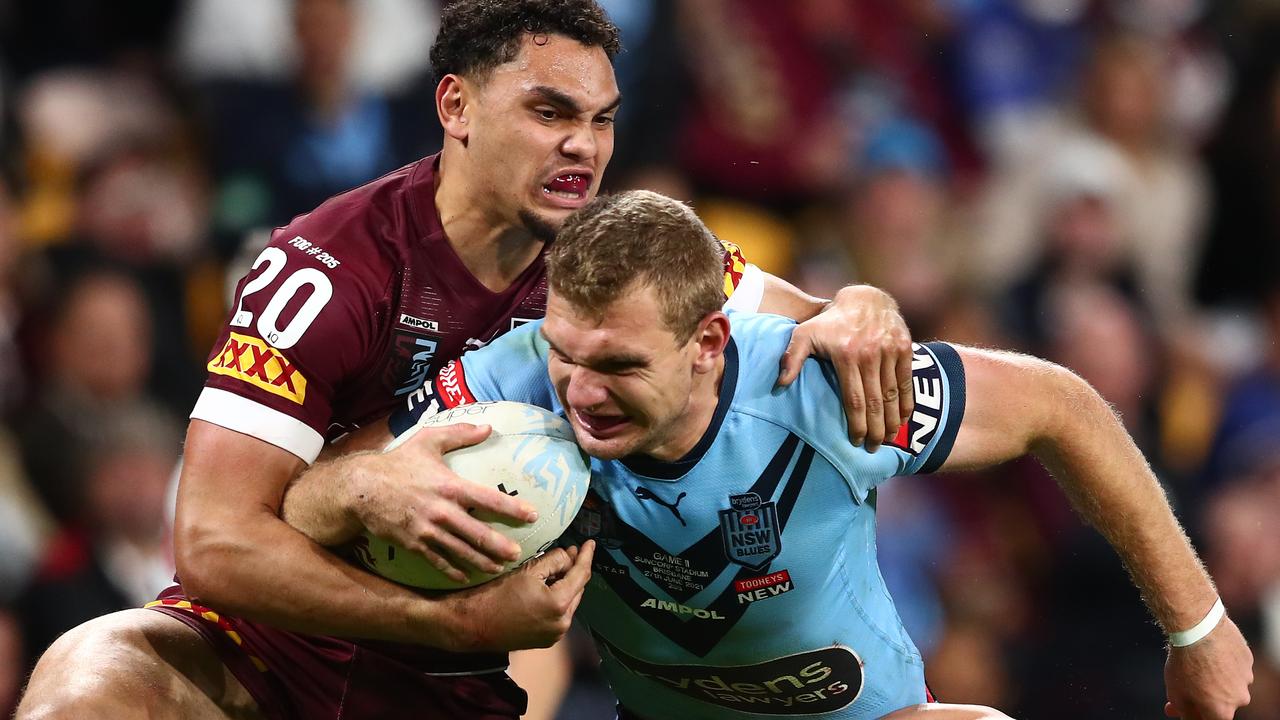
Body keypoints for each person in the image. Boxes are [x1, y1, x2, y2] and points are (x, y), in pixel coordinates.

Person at [16, 2, 917, 718]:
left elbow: (807, 327)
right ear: (455, 106)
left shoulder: (623, 260)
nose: (584, 146)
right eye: (549, 111)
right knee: (88, 679)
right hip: (258, 654)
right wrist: (436, 611)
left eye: (602, 120)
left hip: (455, 683)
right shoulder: (326, 270)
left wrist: (866, 306)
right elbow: (210, 540)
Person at [286, 190, 1254, 719]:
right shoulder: (509, 385)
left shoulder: (821, 386)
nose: (577, 392)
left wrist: (1196, 629)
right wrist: (367, 484)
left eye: (616, 365)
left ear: (708, 343)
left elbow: (1062, 405)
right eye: (563, 351)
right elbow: (306, 501)